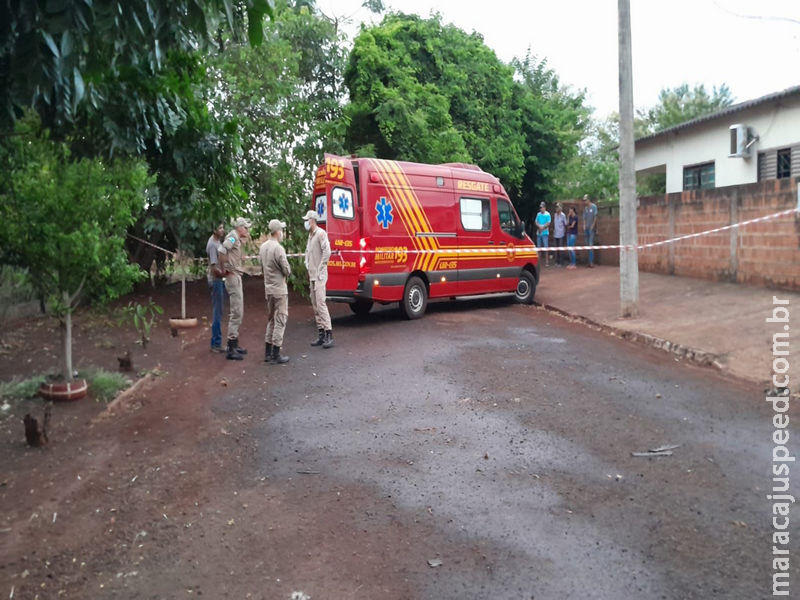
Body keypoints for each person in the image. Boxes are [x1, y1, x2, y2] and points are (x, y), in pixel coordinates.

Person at [218, 217, 252, 360]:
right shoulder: (232, 236)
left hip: (236, 276)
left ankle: (235, 343)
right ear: (240, 228)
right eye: (246, 227)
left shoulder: (236, 238)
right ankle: (231, 348)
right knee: (236, 311)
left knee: (239, 311)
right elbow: (221, 250)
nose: (247, 230)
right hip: (232, 276)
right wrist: (224, 268)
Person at [259, 219, 291, 364]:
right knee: (281, 319)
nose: (283, 233)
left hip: (269, 289)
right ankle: (276, 353)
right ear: (278, 232)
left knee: (271, 319)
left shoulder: (263, 247)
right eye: (282, 230)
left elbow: (262, 268)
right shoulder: (278, 248)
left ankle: (267, 352)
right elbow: (286, 269)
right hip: (279, 289)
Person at [303, 210, 334, 349]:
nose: (306, 222)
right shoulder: (310, 236)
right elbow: (307, 252)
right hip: (312, 275)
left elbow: (327, 252)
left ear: (312, 220)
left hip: (319, 275)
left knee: (321, 303)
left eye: (307, 219)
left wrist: (321, 268)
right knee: (315, 304)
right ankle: (321, 333)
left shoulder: (321, 233)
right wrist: (307, 264)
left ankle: (329, 334)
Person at [206, 224, 226, 352]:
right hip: (216, 280)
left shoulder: (218, 241)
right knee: (217, 312)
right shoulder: (212, 244)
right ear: (214, 230)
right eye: (220, 228)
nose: (222, 230)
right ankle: (216, 343)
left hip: (219, 280)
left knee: (219, 310)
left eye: (223, 227)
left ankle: (216, 342)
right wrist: (225, 274)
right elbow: (214, 268)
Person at [582, 194, 598, 268]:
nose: (585, 201)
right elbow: (584, 218)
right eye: (584, 200)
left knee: (591, 244)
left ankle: (591, 262)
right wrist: (584, 225)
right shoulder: (585, 208)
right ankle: (589, 261)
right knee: (587, 244)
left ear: (589, 200)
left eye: (586, 200)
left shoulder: (594, 207)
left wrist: (593, 225)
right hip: (587, 228)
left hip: (591, 228)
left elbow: (595, 217)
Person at [534, 202, 551, 267]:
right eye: (540, 208)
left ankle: (547, 262)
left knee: (546, 248)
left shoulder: (547, 214)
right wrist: (539, 227)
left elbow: (548, 223)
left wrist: (542, 227)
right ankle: (538, 262)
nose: (541, 209)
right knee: (539, 248)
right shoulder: (538, 214)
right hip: (539, 233)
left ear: (544, 208)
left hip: (545, 233)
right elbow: (536, 222)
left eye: (542, 207)